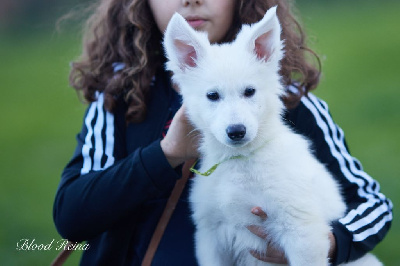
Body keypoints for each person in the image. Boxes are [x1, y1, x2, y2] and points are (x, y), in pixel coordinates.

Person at [53, 0, 393, 265]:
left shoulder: (288, 103)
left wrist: (327, 245)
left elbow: (373, 205)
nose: (191, 0)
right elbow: (71, 215)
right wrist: (166, 154)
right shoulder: (116, 101)